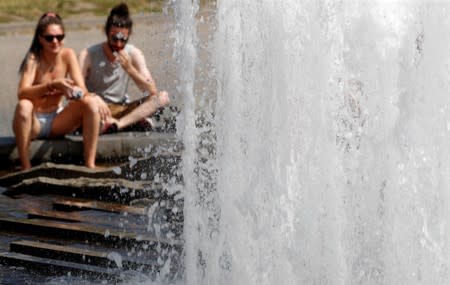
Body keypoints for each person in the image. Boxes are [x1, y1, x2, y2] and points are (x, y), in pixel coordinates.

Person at [13, 12, 101, 170]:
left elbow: (83, 90)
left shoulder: (68, 55)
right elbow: (22, 93)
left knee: (91, 103)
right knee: (24, 106)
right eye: (49, 38)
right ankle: (25, 167)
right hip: (34, 122)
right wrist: (52, 85)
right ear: (40, 39)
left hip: (57, 120)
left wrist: (73, 92)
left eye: (59, 37)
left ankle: (90, 165)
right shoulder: (34, 58)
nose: (55, 41)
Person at [79, 2, 170, 133]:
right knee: (89, 112)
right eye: (114, 38)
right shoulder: (88, 55)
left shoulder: (133, 53)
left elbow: (152, 90)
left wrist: (130, 69)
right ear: (106, 32)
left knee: (163, 97)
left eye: (123, 40)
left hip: (122, 108)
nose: (118, 44)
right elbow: (77, 89)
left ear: (129, 36)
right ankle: (133, 121)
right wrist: (93, 98)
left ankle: (118, 125)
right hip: (97, 108)